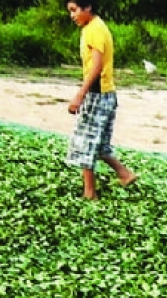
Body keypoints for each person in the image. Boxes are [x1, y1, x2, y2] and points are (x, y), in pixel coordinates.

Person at [65, 0, 136, 200]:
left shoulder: (94, 30)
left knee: (85, 143)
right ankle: (125, 174)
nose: (72, 15)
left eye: (74, 10)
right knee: (100, 144)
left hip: (97, 94)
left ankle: (90, 193)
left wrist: (80, 95)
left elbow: (96, 67)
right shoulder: (95, 27)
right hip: (107, 94)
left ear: (87, 7)